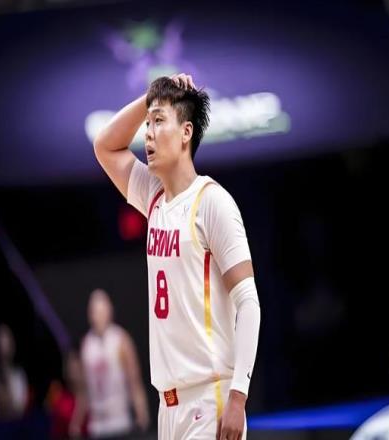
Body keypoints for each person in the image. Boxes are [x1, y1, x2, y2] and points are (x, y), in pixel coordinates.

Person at [93, 73, 261, 439]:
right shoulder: (153, 196)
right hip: (167, 407)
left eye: (158, 122)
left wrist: (238, 397)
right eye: (147, 124)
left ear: (186, 132)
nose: (148, 134)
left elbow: (249, 302)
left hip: (210, 397)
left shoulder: (212, 202)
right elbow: (105, 146)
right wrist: (150, 98)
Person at [70, 289, 149, 438]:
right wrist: (76, 421)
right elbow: (83, 389)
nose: (99, 316)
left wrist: (141, 413)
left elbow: (134, 381)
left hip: (120, 421)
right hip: (97, 424)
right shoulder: (86, 345)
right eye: (95, 312)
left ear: (110, 311)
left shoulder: (121, 339)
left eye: (102, 311)